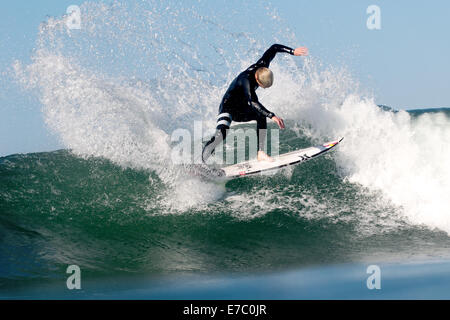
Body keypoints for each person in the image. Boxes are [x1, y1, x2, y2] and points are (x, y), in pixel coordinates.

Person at [201, 43, 308, 163]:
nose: (264, 88)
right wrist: (272, 115)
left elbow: (274, 48)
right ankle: (202, 163)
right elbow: (252, 102)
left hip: (241, 107)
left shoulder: (262, 66)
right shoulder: (245, 80)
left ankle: (260, 152)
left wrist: (293, 51)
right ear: (257, 79)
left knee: (260, 116)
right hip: (228, 107)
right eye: (263, 86)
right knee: (221, 134)